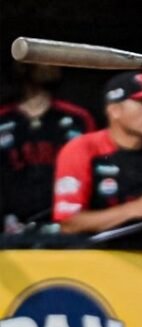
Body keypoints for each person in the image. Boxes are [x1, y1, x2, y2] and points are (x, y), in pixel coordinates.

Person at [51, 71, 142, 235]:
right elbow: (69, 222)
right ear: (115, 110)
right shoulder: (81, 149)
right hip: (99, 248)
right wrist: (136, 209)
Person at [0, 63, 95, 233]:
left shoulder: (78, 119)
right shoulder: (3, 118)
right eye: (42, 60)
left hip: (67, 226)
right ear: (22, 66)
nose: (50, 65)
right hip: (10, 228)